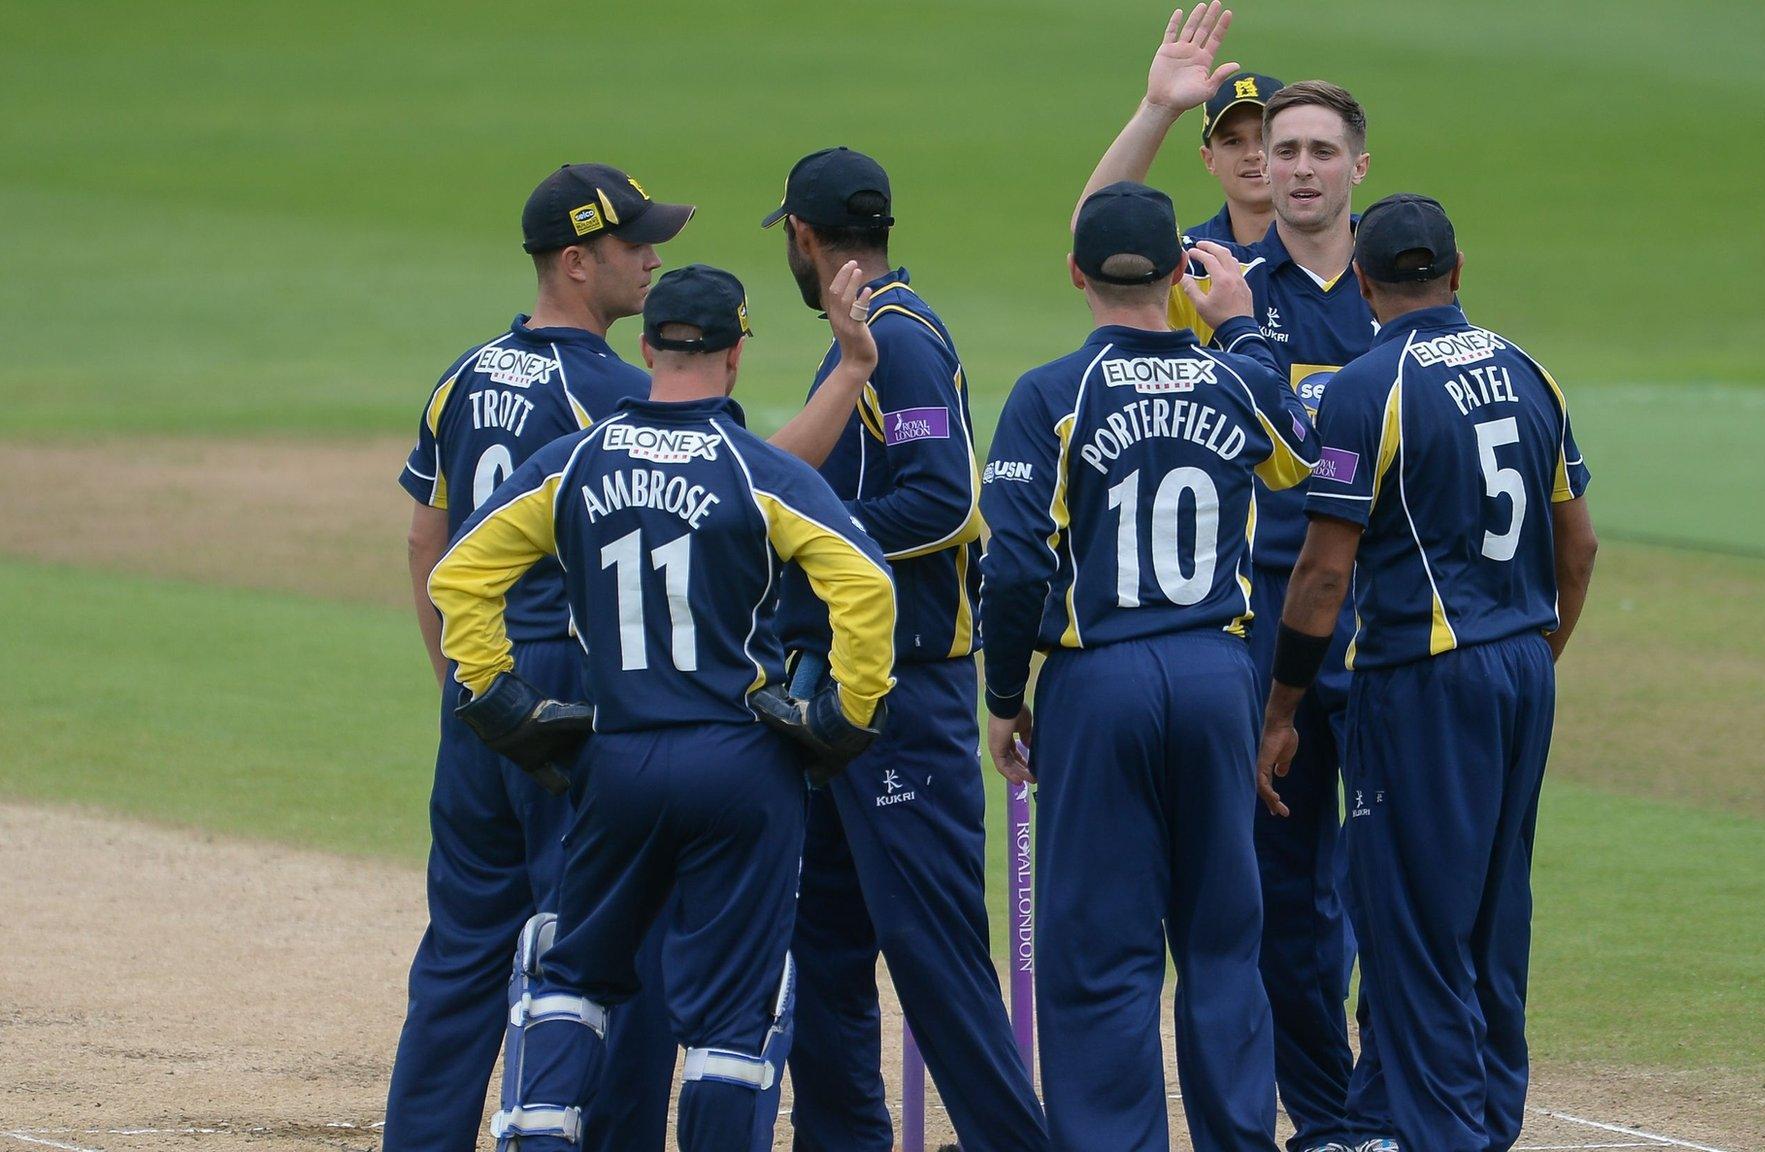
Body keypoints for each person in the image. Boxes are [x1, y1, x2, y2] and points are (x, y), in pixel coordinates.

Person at [428, 263, 901, 1151]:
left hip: (616, 759)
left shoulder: (572, 464)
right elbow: (866, 584)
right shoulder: (758, 470)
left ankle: (538, 1138)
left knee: (571, 972)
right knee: (735, 1012)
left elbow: (459, 572)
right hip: (741, 766)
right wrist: (850, 712)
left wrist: (496, 697)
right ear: (734, 356)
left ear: (647, 350)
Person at [1076, 9, 1381, 1147]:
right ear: (1212, 154)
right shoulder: (1201, 278)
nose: (1267, 156)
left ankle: (1384, 1101)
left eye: (1288, 140)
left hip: (1379, 618)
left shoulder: (1379, 271)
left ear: (1341, 164)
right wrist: (1156, 104)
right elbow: (1089, 237)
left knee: (1390, 884)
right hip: (1255, 624)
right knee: (1284, 892)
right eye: (1245, 136)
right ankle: (1329, 1113)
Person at [981, 181, 1320, 1152]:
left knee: (1099, 951)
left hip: (1101, 682)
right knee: (1220, 938)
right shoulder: (1232, 380)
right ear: (1180, 274)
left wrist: (1005, 696)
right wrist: (1245, 329)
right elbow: (1301, 455)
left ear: (1075, 273)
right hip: (1219, 677)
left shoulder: (1053, 393)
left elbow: (1011, 568)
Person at [1256, 194, 1598, 1152]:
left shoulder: (1369, 386)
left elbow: (1324, 573)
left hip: (1421, 682)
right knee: (1494, 916)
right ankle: (1485, 1126)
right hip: (1525, 667)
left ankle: (1441, 1138)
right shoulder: (1531, 373)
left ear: (1363, 283)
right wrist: (1535, 652)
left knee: (1412, 934)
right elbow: (1580, 547)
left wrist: (1281, 708)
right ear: (1459, 272)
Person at [387, 162, 691, 1152]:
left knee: (463, 948)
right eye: (633, 243)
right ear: (575, 262)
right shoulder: (615, 393)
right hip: (572, 695)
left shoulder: (464, 374)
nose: (652, 257)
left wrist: (463, 688)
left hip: (479, 688)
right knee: (604, 944)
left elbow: (425, 546)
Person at [761, 147, 1048, 1152]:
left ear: (802, 237)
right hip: (841, 695)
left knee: (934, 962)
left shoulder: (899, 337)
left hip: (905, 694)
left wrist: (812, 534)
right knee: (823, 945)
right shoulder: (868, 335)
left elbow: (940, 496)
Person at [1182, 69, 1285, 247]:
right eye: (1233, 142)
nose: (1252, 154)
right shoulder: (1191, 255)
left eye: (1265, 138)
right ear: (1209, 160)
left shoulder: (1345, 247)